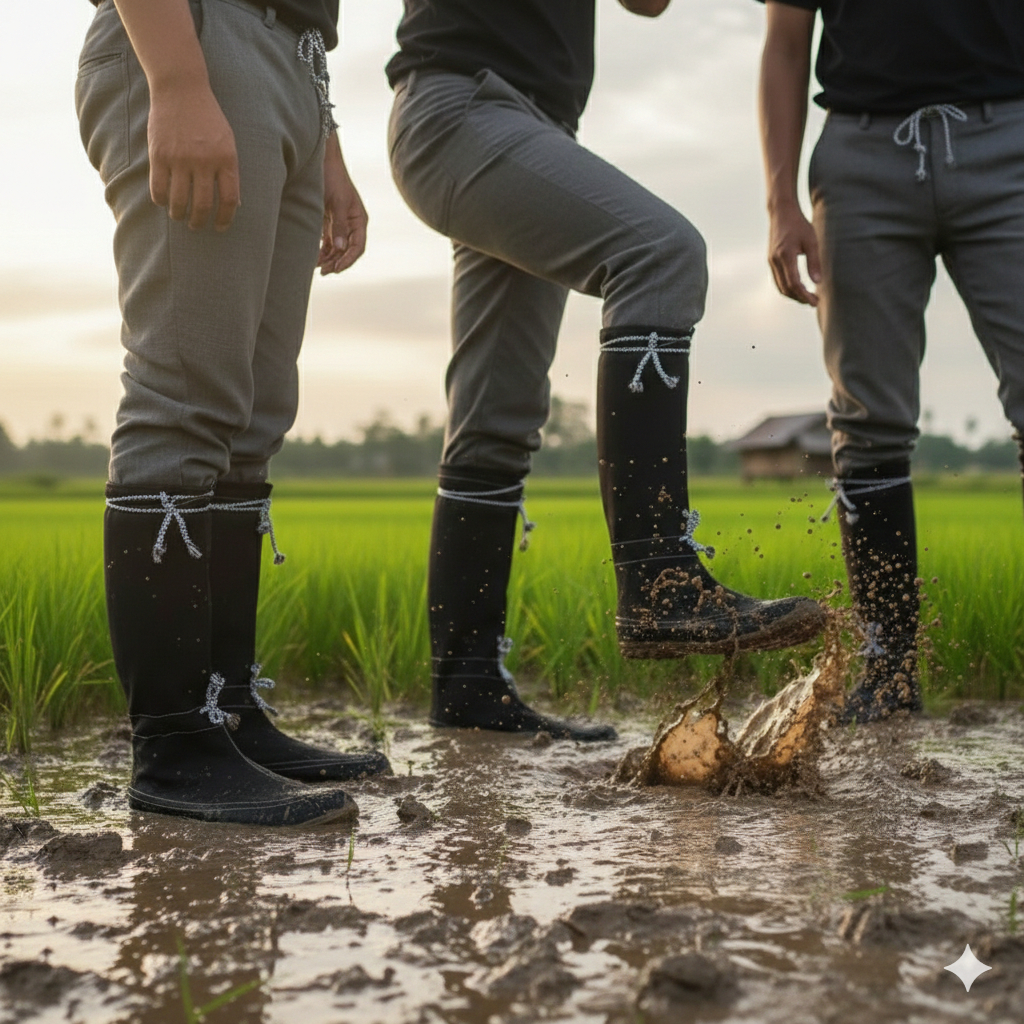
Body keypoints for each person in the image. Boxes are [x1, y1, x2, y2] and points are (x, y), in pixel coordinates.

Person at [385, 0, 827, 743]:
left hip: (528, 125)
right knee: (661, 252)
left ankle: (466, 685)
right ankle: (660, 578)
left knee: (498, 414)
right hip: (461, 103)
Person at [77, 0, 388, 825]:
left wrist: (323, 140)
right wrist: (176, 79)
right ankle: (175, 747)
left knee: (251, 419)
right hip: (193, 34)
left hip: (292, 64)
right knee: (185, 397)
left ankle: (230, 716)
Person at [756, 0, 1024, 721]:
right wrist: (781, 201)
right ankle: (887, 669)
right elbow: (785, 41)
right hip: (861, 156)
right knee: (867, 420)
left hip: (1009, 139)